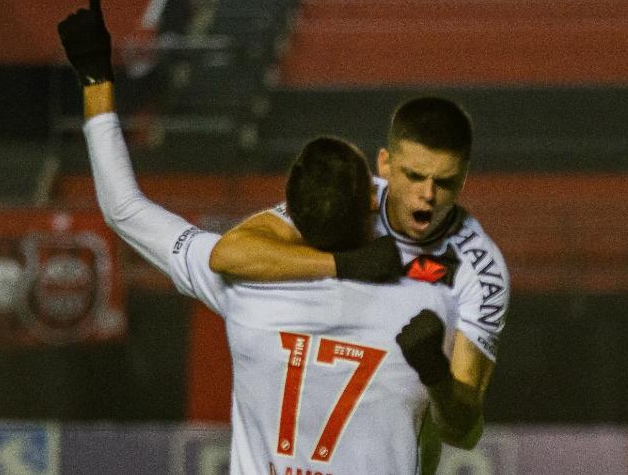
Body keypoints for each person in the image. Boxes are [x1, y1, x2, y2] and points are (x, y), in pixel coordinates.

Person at [58, 0, 482, 473]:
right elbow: (458, 431)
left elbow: (122, 207)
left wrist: (95, 81)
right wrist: (433, 372)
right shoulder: (427, 303)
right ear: (373, 202)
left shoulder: (244, 285)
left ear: (290, 215)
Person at [207, 68, 510, 453]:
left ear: (464, 178)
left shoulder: (481, 271)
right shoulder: (350, 197)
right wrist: (345, 264)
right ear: (384, 164)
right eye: (414, 176)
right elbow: (228, 254)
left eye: (445, 182)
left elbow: (462, 430)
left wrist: (434, 372)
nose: (428, 195)